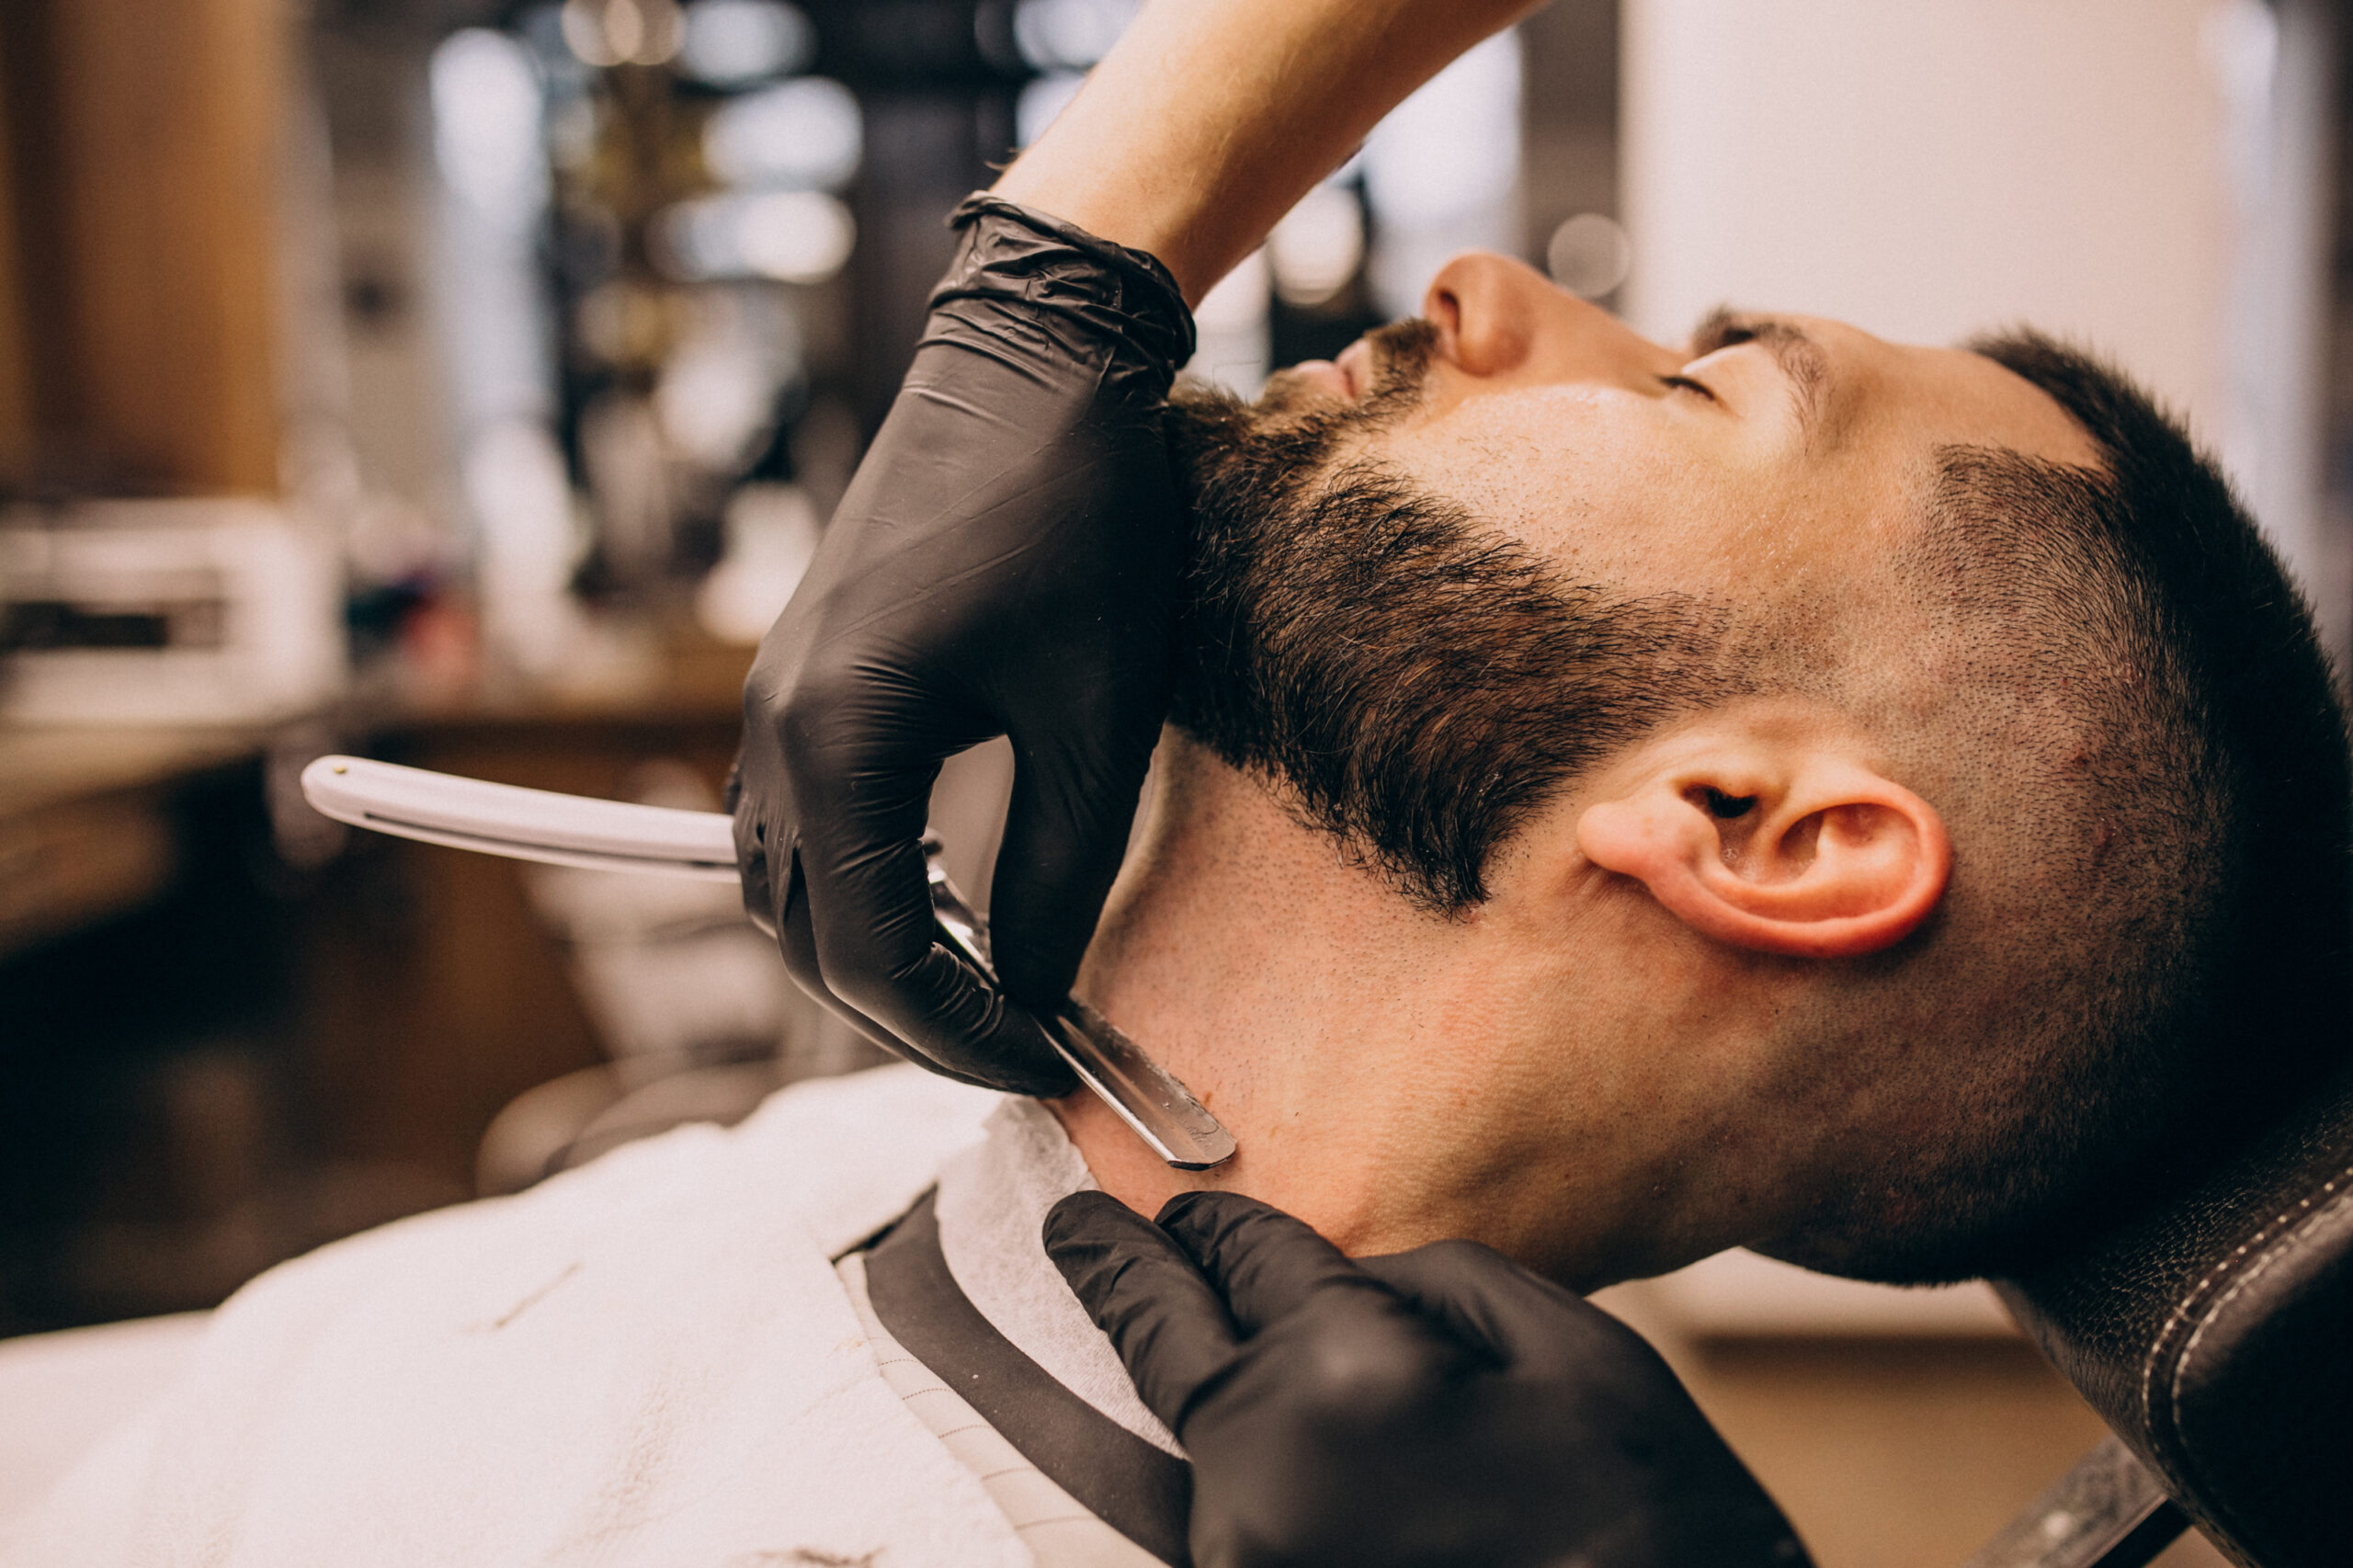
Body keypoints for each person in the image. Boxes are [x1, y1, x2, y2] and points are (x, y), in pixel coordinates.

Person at [725, 0, 2353, 1559]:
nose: (1477, 288)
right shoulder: (808, 1165)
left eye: (1699, 386)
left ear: (1771, 834)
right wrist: (1058, 268)